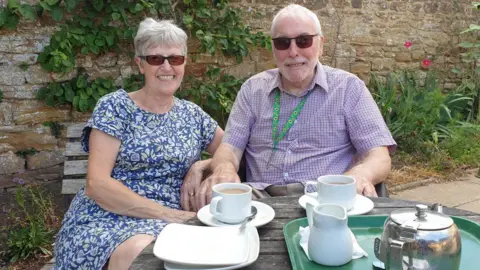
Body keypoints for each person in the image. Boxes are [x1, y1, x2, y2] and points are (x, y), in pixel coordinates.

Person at [182, 4, 396, 212]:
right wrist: (223, 168)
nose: (293, 52)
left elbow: (378, 155)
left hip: (323, 200)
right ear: (273, 48)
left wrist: (358, 176)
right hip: (259, 199)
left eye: (303, 41)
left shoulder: (348, 88)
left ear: (320, 44)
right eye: (283, 43)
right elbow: (230, 148)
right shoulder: (253, 89)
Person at [53, 18, 223, 270]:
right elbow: (97, 185)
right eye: (156, 59)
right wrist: (173, 216)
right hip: (107, 217)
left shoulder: (193, 114)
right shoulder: (115, 107)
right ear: (140, 64)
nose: (166, 66)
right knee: (141, 251)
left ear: (184, 63)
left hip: (173, 221)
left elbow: (231, 150)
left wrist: (203, 164)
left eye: (175, 58)